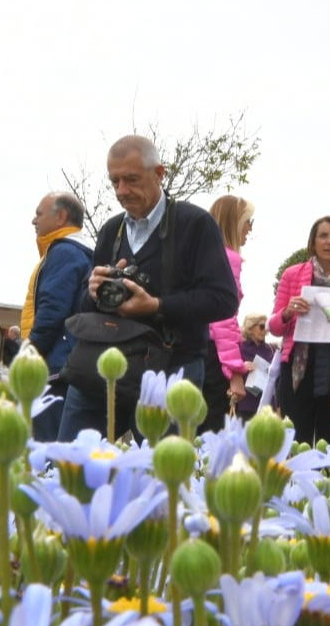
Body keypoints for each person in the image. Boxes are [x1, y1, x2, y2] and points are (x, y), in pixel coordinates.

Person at [59, 135, 239, 439]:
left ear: (159, 173)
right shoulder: (111, 230)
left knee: (161, 477)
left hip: (171, 370)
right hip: (104, 366)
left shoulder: (195, 223)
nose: (121, 191)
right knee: (68, 464)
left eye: (131, 179)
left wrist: (156, 305)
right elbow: (85, 307)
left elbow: (223, 300)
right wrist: (93, 289)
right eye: (114, 181)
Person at [270, 215, 330, 447]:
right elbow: (274, 327)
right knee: (296, 440)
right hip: (299, 369)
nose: (329, 242)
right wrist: (288, 312)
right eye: (323, 236)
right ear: (313, 242)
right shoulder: (292, 274)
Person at [23, 191, 93, 440]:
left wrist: (28, 353)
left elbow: (52, 310)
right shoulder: (79, 251)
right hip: (69, 365)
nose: (34, 221)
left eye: (39, 214)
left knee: (49, 445)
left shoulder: (64, 253)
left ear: (61, 216)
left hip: (54, 369)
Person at [200, 195, 254, 432]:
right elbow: (223, 317)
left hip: (199, 350)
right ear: (234, 222)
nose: (250, 229)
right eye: (248, 221)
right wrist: (234, 372)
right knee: (213, 432)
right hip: (215, 358)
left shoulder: (203, 256)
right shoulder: (228, 258)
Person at [236, 314, 275, 421]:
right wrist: (242, 366)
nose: (264, 331)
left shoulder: (270, 350)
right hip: (246, 402)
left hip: (266, 404)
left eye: (266, 327)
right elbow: (230, 370)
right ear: (250, 327)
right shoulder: (240, 347)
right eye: (262, 327)